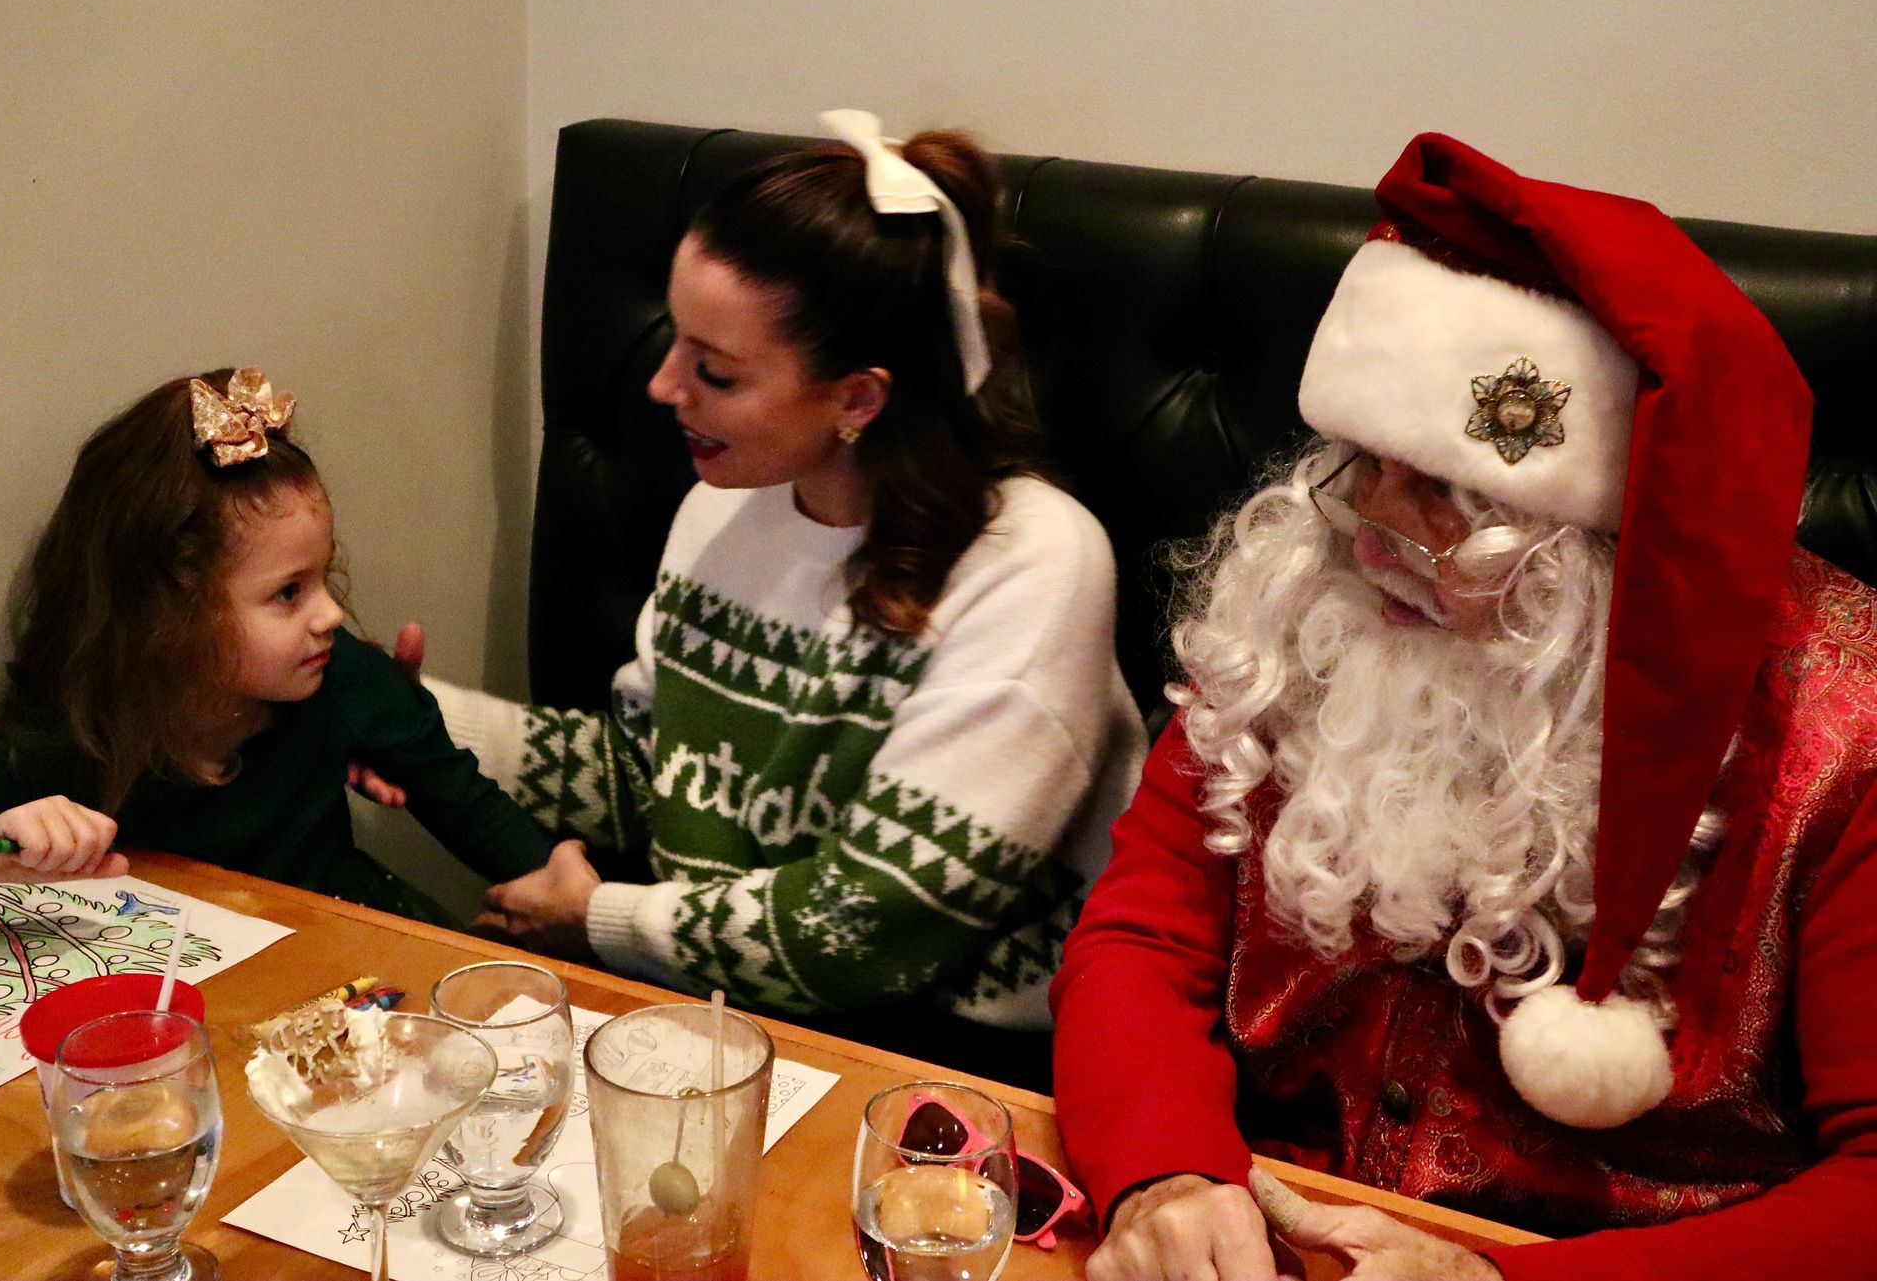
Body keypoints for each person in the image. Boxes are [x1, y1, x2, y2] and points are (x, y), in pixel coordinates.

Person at [1051, 133, 1877, 1280]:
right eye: (1361, 459)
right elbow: (1143, 936)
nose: (1368, 534)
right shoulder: (1303, 605)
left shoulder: (1847, 738)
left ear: (1612, 541)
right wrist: (1166, 1171)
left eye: (1445, 489)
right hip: (1266, 1221)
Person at [399, 111, 1145, 1083]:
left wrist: (598, 917)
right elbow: (657, 778)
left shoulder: (1035, 564)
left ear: (858, 398)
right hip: (720, 1011)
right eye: (676, 342)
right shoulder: (727, 503)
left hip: (944, 1063)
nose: (664, 385)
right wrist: (414, 722)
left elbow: (864, 932)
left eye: (714, 370)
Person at [0, 368, 555, 920]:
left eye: (323, 577)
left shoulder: (337, 673)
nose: (331, 614)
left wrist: (564, 891)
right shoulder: (60, 738)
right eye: (288, 592)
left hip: (347, 953)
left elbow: (467, 804)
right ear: (170, 612)